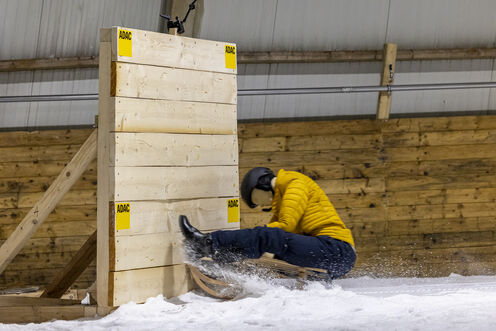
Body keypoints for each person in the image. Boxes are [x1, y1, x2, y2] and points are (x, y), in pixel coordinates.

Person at [179, 167, 356, 279]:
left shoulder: (295, 183)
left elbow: (284, 227)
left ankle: (206, 242)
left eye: (259, 200)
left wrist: (255, 239)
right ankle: (220, 258)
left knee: (267, 236)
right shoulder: (283, 200)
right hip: (329, 255)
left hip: (336, 250)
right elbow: (272, 236)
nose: (263, 205)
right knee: (265, 243)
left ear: (262, 185)